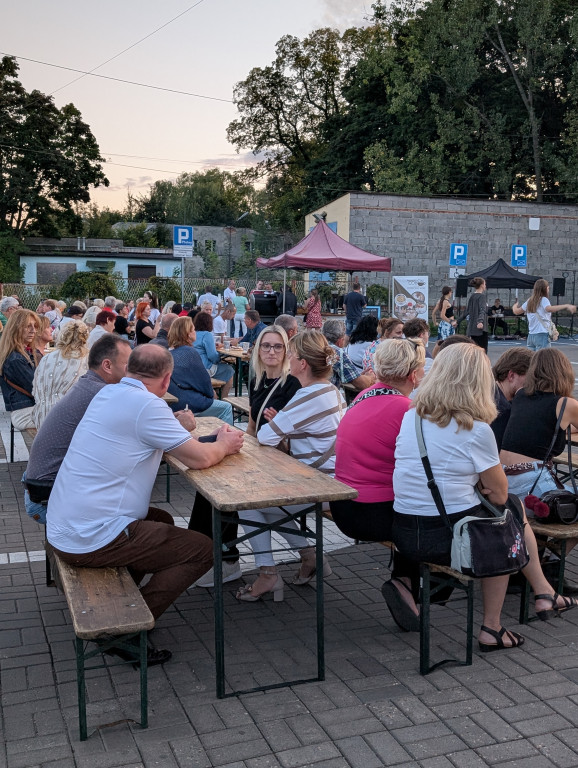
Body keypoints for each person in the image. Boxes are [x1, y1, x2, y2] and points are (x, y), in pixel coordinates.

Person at [46, 344, 244, 665]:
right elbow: (202, 458)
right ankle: (123, 630)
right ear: (167, 381)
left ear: (128, 370)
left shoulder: (109, 394)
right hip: (89, 537)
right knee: (204, 550)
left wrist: (177, 426)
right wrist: (224, 444)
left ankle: (127, 600)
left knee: (162, 520)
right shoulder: (148, 406)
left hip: (64, 523)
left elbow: (138, 433)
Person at [393, 344, 576, 651]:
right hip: (448, 538)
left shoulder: (411, 418)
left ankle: (544, 592)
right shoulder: (475, 430)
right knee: (504, 520)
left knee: (504, 514)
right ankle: (496, 624)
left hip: (404, 532)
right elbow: (500, 492)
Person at [236, 331, 344, 602]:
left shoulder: (307, 396)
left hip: (320, 485)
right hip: (327, 477)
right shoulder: (332, 391)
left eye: (292, 355)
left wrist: (281, 424)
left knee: (249, 503)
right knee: (264, 506)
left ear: (302, 364)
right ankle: (309, 557)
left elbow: (264, 436)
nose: (288, 359)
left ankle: (269, 573)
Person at [193, 324, 301, 589]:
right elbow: (252, 425)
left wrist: (280, 429)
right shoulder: (257, 379)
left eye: (278, 346)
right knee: (210, 482)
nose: (272, 351)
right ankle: (205, 555)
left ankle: (225, 559)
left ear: (286, 350)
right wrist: (245, 450)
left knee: (223, 489)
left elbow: (297, 435)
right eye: (266, 346)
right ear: (258, 350)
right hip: (261, 453)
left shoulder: (294, 384)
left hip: (285, 460)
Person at [330, 339, 426, 631]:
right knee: (424, 514)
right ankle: (412, 585)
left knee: (412, 507)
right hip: (372, 514)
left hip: (343, 505)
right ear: (413, 375)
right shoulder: (407, 410)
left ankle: (407, 582)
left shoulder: (364, 395)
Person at [23, 335, 132, 524]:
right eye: (128, 365)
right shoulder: (103, 394)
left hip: (39, 487)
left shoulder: (88, 384)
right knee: (134, 514)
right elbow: (139, 433)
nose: (133, 370)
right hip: (47, 498)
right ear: (107, 366)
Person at [167, 317, 234, 423]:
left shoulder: (169, 352)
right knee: (226, 408)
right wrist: (211, 396)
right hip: (187, 403)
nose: (195, 332)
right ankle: (225, 438)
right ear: (188, 334)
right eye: (193, 329)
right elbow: (203, 381)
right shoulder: (189, 352)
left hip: (173, 401)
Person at [32, 320, 90, 428]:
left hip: (41, 417)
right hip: (67, 419)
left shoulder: (47, 358)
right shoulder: (87, 359)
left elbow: (35, 389)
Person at [0, 309, 38, 430]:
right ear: (15, 329)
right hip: (25, 412)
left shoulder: (21, 354)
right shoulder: (15, 359)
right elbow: (36, 388)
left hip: (29, 409)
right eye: (28, 326)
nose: (33, 330)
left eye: (35, 326)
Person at [512, 279, 576, 351]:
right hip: (542, 334)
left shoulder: (529, 301)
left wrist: (514, 306)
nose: (548, 290)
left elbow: (516, 312)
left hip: (531, 335)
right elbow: (549, 309)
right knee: (543, 359)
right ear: (545, 289)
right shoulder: (544, 300)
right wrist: (566, 306)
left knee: (532, 359)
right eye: (548, 288)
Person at [491, 347, 534, 451]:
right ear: (511, 376)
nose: (533, 384)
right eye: (530, 378)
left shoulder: (488, 391)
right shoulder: (503, 410)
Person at [323, 319, 375, 391]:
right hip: (328, 396)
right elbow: (362, 384)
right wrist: (371, 376)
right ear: (340, 340)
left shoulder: (318, 346)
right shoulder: (336, 352)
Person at [193, 312, 234, 398]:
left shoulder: (193, 333)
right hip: (205, 368)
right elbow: (212, 356)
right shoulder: (207, 335)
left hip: (195, 367)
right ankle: (224, 399)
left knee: (224, 369)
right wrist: (219, 359)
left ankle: (216, 393)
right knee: (229, 370)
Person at [457, 277, 489, 352]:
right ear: (481, 285)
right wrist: (480, 321)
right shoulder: (482, 297)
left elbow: (467, 311)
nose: (485, 286)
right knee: (482, 350)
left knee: (474, 349)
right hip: (480, 329)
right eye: (485, 284)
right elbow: (482, 310)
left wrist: (458, 321)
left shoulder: (472, 296)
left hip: (472, 328)